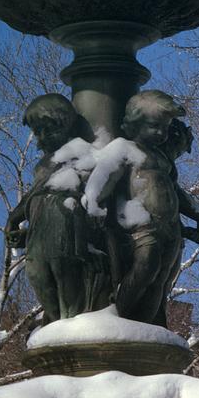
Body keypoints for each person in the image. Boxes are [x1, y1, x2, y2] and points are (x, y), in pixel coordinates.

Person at [82, 90, 186, 325]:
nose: (161, 133)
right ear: (134, 122)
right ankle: (120, 318)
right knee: (145, 268)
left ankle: (146, 326)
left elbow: (177, 191)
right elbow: (104, 175)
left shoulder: (161, 156)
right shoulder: (124, 148)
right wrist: (93, 200)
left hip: (169, 227)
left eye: (165, 127)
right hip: (142, 224)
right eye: (154, 125)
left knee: (161, 278)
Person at [5, 94, 108, 324]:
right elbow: (35, 194)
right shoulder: (44, 163)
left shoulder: (80, 152)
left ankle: (70, 326)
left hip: (64, 223)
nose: (41, 140)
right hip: (40, 229)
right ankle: (55, 323)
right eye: (37, 132)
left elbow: (93, 188)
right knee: (37, 274)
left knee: (65, 275)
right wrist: (15, 219)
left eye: (47, 131)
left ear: (65, 125)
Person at [154, 118, 199, 326]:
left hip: (169, 235)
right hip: (153, 235)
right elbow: (164, 198)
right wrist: (198, 216)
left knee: (162, 284)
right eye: (180, 149)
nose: (180, 155)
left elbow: (170, 196)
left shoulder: (165, 165)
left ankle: (154, 321)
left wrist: (193, 222)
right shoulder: (155, 161)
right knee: (155, 282)